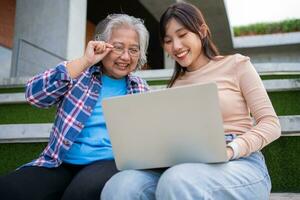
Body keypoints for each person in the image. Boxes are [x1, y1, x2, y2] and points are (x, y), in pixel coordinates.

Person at [101, 2, 281, 200]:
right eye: (168, 40)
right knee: (121, 185)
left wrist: (230, 149)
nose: (176, 46)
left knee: (177, 180)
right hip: (184, 167)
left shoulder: (237, 65)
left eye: (183, 34)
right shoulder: (174, 86)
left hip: (239, 164)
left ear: (202, 31)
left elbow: (271, 124)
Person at [0, 13, 150, 200]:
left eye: (134, 50)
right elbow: (34, 95)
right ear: (103, 46)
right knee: (8, 189)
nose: (126, 56)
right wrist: (85, 61)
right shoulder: (78, 73)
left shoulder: (141, 87)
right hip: (59, 162)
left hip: (108, 162)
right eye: (118, 47)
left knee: (81, 193)